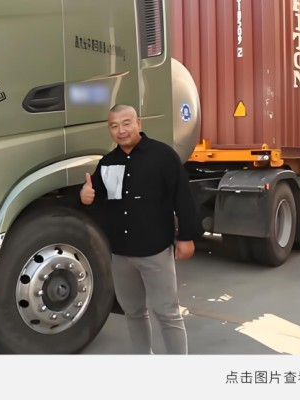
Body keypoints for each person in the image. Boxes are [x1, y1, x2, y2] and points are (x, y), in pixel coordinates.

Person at [80, 104, 203, 354]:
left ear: (139, 123)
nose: (121, 130)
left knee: (167, 312)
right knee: (133, 311)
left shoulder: (163, 156)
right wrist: (85, 196)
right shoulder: (107, 163)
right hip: (121, 254)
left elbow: (183, 197)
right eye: (114, 126)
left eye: (126, 123)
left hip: (155, 250)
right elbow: (100, 201)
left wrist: (186, 237)